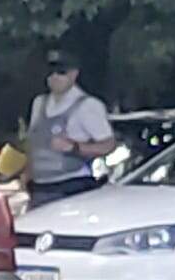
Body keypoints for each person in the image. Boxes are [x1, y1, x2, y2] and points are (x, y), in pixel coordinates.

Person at [25, 50, 115, 208]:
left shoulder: (88, 106)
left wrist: (75, 147)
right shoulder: (39, 103)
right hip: (39, 188)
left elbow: (108, 145)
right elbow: (32, 143)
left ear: (74, 74)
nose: (54, 77)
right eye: (50, 72)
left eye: (61, 72)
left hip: (72, 186)